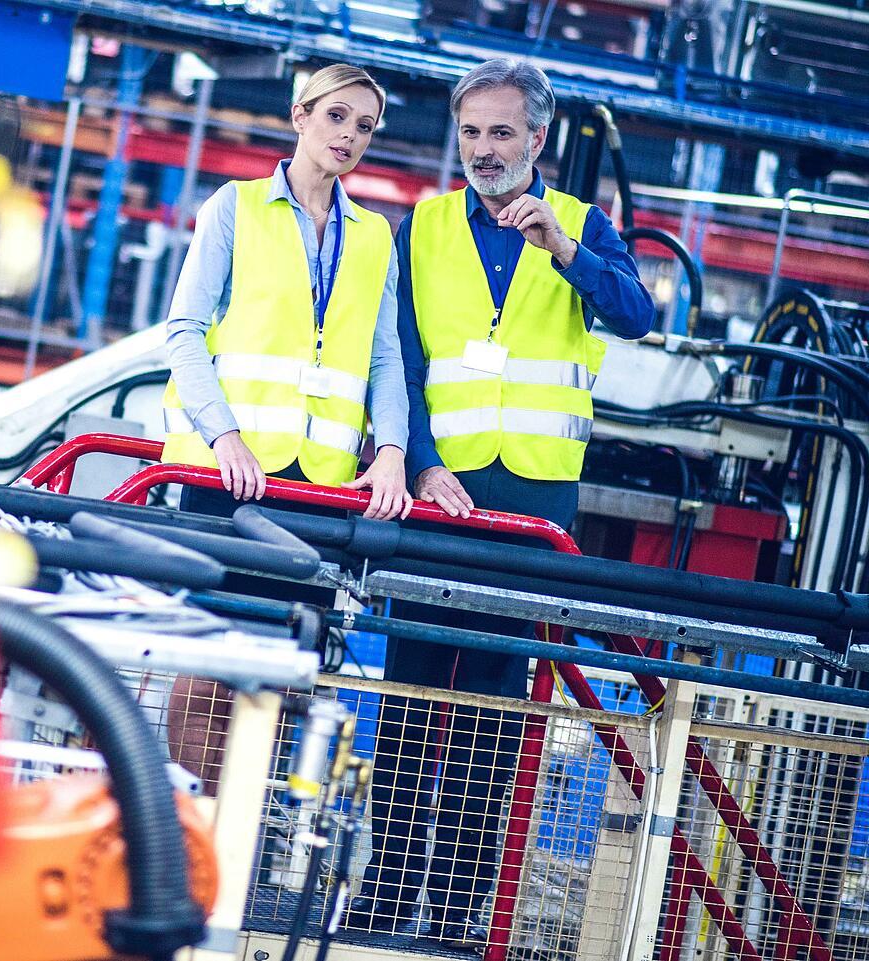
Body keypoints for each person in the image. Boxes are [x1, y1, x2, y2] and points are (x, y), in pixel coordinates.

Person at [350, 59, 654, 949]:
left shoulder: (587, 228)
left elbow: (636, 315)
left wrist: (563, 247)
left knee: (495, 708)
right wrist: (424, 461)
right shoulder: (425, 225)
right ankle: (383, 894)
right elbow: (400, 357)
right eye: (471, 132)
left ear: (538, 139)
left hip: (531, 498)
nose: (483, 150)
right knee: (410, 699)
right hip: (439, 495)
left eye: (500, 133)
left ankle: (455, 911)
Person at [159, 63, 412, 793]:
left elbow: (385, 356)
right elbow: (183, 330)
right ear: (299, 115)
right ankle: (187, 851)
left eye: (364, 126)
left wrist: (390, 450)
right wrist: (223, 435)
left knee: (278, 689)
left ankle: (233, 856)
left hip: (319, 495)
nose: (350, 136)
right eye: (337, 117)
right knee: (205, 681)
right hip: (231, 482)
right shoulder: (234, 208)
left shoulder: (374, 238)